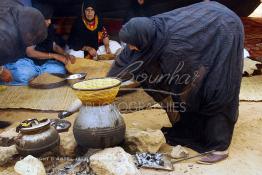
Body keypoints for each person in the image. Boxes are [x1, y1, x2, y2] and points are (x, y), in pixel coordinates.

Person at [108, 1, 244, 164]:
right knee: (187, 98)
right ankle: (195, 126)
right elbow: (124, 61)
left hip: (224, 29)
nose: (130, 47)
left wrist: (194, 88)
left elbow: (185, 77)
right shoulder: (146, 35)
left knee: (214, 88)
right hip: (207, 21)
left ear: (142, 39)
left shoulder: (173, 48)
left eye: (131, 44)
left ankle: (220, 148)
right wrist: (104, 87)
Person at [0, 3, 75, 85]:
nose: (50, 21)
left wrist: (65, 54)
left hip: (43, 64)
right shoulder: (26, 28)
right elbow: (30, 52)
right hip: (27, 62)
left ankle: (37, 75)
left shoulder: (48, 27)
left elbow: (53, 45)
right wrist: (55, 56)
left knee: (60, 70)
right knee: (24, 74)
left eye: (50, 18)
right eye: (47, 18)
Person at [0, 0, 47, 83]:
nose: (31, 42)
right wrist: (2, 72)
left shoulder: (17, 9)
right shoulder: (5, 38)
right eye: (31, 38)